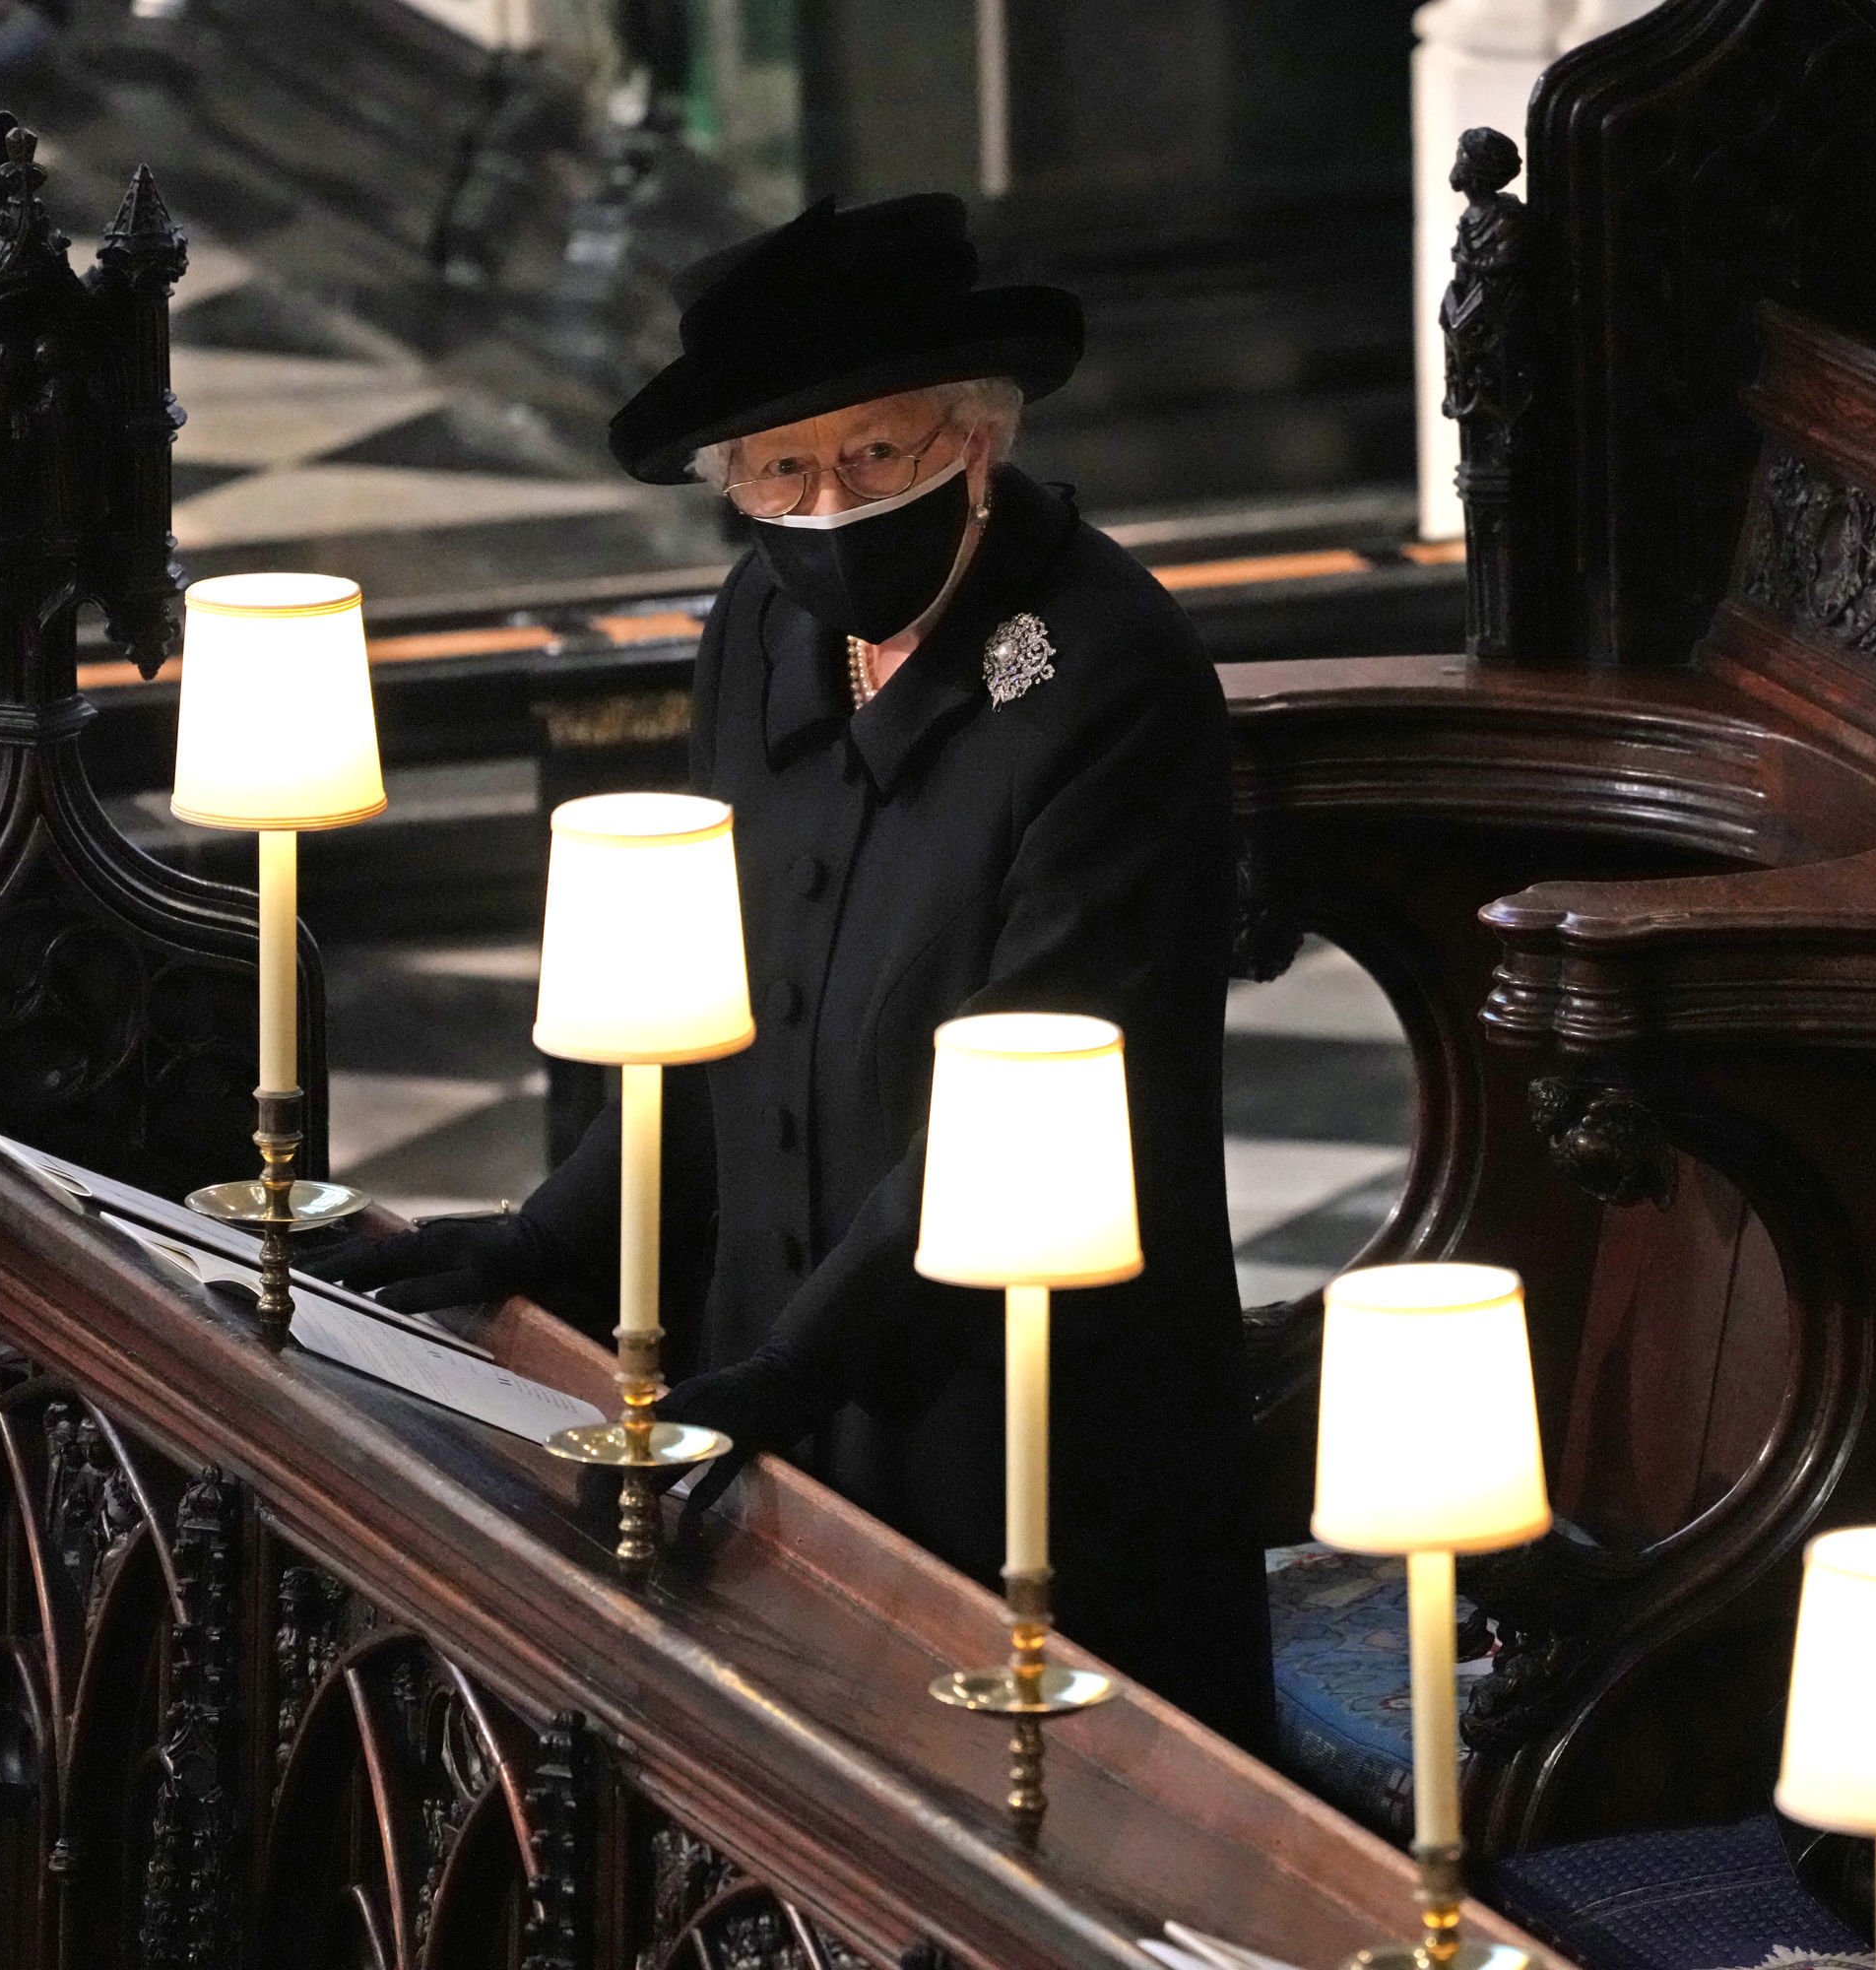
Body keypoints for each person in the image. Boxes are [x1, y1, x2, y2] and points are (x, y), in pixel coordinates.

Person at [330, 193, 1275, 1752]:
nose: (825, 502)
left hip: (1015, 1399)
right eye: (779, 468)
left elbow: (1030, 1087)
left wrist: (784, 1377)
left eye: (875, 454)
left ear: (976, 441)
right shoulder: (761, 620)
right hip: (769, 1360)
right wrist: (540, 1236)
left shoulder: (1107, 675)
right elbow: (718, 1012)